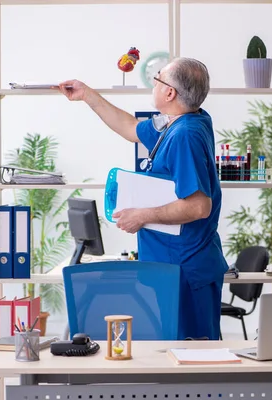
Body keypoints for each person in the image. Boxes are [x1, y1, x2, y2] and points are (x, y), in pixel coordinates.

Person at [58, 57, 229, 340]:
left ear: (169, 93)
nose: (154, 83)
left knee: (194, 365)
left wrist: (143, 215)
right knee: (173, 360)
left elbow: (199, 206)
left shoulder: (185, 134)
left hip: (186, 270)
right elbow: (129, 128)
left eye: (158, 78)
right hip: (172, 267)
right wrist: (87, 95)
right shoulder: (181, 122)